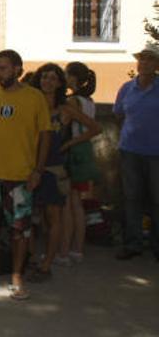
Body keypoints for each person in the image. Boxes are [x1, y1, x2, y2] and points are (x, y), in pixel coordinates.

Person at [0, 49, 51, 301]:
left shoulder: (35, 98)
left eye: (3, 67)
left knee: (20, 230)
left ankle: (17, 276)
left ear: (17, 69)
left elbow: (46, 135)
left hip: (21, 176)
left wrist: (38, 169)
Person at [27, 63, 99, 282]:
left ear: (60, 83)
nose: (47, 81)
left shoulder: (65, 109)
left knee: (54, 218)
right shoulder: (31, 105)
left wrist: (68, 144)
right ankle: (31, 259)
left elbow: (96, 128)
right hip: (29, 167)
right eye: (44, 77)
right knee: (28, 218)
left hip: (54, 168)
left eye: (52, 78)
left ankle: (47, 263)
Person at [113, 43, 159, 261]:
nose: (144, 63)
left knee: (157, 199)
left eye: (149, 59)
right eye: (141, 58)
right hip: (130, 151)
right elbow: (119, 115)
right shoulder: (126, 88)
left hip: (156, 153)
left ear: (157, 64)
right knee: (132, 198)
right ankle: (133, 244)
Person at [63, 61, 99, 262]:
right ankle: (77, 249)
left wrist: (68, 144)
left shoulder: (72, 102)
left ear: (73, 78)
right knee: (77, 202)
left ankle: (66, 248)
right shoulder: (89, 100)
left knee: (69, 203)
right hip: (85, 151)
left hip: (74, 151)